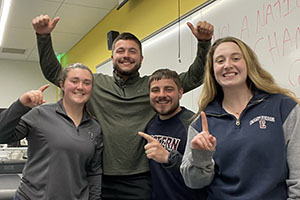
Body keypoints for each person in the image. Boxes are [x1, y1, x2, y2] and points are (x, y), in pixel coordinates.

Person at [32, 14, 214, 200]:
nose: (126, 55)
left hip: (140, 180)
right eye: (120, 51)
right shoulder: (94, 83)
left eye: (132, 51)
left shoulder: (153, 88)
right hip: (100, 177)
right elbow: (55, 73)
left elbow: (194, 77)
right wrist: (43, 37)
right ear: (112, 57)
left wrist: (204, 43)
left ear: (141, 58)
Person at [180, 36, 300, 199]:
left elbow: (298, 176)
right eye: (220, 61)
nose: (227, 65)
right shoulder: (201, 124)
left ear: (248, 63)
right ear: (212, 71)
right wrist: (201, 157)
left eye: (236, 58)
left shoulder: (283, 107)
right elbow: (193, 182)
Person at [0, 63, 103, 200]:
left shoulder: (94, 127)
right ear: (62, 85)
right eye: (74, 81)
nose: (80, 87)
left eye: (87, 83)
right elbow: (2, 135)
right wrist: (21, 105)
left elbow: (94, 172)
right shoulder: (40, 114)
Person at [138, 69, 212, 199]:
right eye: (155, 90)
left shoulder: (193, 124)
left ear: (180, 93)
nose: (161, 95)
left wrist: (169, 158)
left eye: (168, 89)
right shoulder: (150, 126)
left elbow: (202, 175)